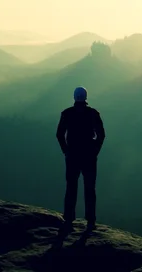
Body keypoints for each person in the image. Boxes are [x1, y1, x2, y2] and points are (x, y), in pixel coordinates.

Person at [56, 86, 106, 232]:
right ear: (85, 97)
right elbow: (101, 135)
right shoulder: (93, 114)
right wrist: (95, 150)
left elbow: (59, 134)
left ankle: (69, 217)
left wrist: (66, 150)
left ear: (74, 97)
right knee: (90, 188)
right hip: (89, 156)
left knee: (71, 186)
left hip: (72, 155)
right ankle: (90, 220)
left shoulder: (67, 114)